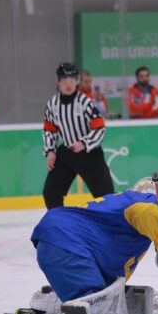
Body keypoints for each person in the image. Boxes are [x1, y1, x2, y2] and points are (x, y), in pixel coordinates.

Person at [14, 177, 158, 314]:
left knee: (101, 294)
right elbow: (150, 211)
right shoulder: (142, 201)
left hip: (58, 240)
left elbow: (111, 271)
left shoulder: (116, 211)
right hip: (69, 243)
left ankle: (51, 305)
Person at [42, 63, 114, 209]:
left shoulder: (85, 102)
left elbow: (100, 128)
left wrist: (84, 143)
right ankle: (59, 224)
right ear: (58, 82)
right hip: (67, 153)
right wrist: (50, 150)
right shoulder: (52, 104)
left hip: (90, 154)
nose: (68, 85)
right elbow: (49, 130)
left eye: (72, 80)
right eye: (64, 81)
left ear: (76, 81)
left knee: (106, 196)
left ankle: (111, 227)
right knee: (51, 192)